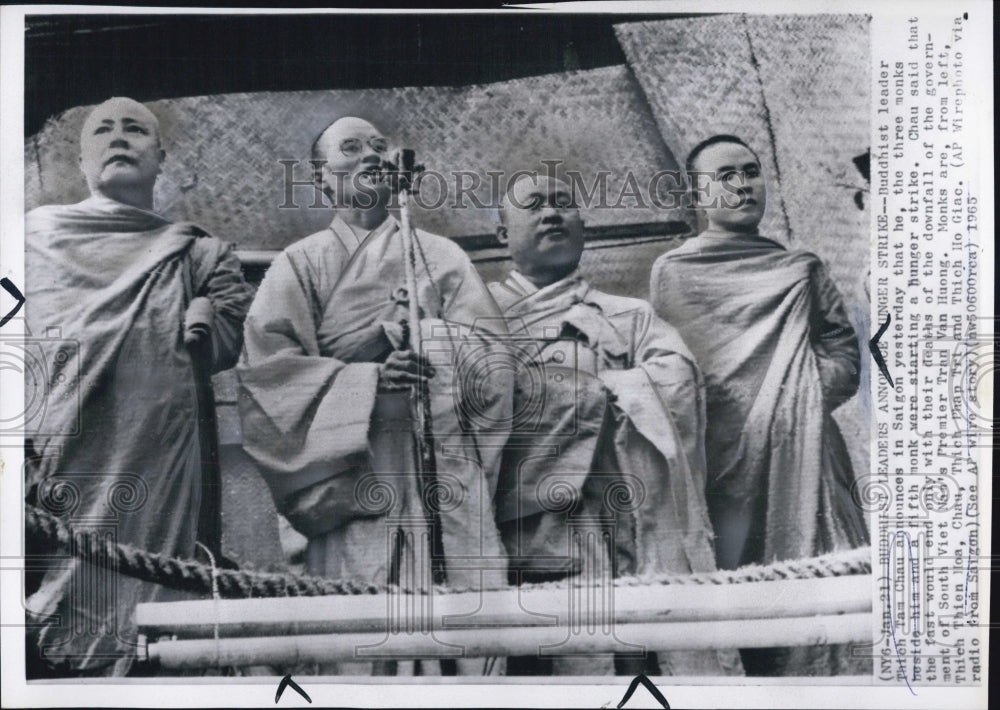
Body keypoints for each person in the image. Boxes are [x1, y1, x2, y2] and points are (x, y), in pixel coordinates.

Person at [237, 117, 512, 676]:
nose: (370, 154)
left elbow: (494, 361)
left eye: (379, 146)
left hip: (443, 464)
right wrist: (365, 383)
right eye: (351, 147)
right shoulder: (299, 263)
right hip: (352, 471)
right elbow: (268, 380)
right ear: (322, 180)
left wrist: (427, 343)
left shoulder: (442, 256)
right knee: (360, 639)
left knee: (468, 628)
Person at [24, 97, 254, 677]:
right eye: (104, 129)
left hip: (159, 457)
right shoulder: (34, 238)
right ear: (82, 160)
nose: (120, 137)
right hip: (58, 450)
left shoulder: (199, 250)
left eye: (136, 129)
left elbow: (228, 339)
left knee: (153, 609)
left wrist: (203, 307)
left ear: (160, 157)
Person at [489, 173, 742, 677]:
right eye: (534, 205)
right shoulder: (478, 319)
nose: (552, 213)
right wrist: (591, 388)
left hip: (628, 528)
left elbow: (680, 386)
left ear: (584, 225)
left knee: (637, 669)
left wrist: (592, 389)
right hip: (527, 536)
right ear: (502, 234)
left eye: (564, 203)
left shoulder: (631, 316)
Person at [649, 135, 868, 674]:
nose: (743, 184)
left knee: (827, 584)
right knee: (743, 597)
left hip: (807, 452)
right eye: (726, 176)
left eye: (751, 172)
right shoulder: (674, 273)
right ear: (696, 194)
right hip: (723, 467)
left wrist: (795, 396)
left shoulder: (800, 269)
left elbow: (842, 352)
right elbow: (671, 368)